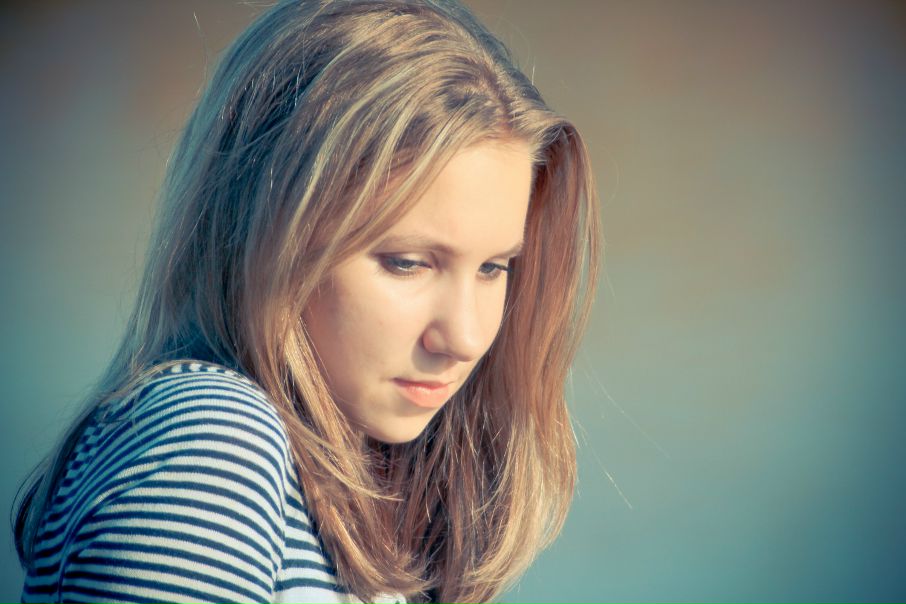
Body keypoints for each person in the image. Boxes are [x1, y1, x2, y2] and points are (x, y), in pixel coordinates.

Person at [14, 0, 601, 602]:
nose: (466, 337)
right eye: (407, 262)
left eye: (494, 268)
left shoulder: (367, 490)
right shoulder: (211, 441)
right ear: (268, 232)